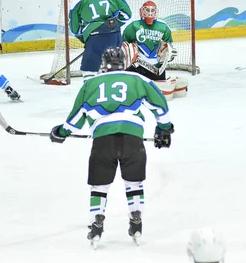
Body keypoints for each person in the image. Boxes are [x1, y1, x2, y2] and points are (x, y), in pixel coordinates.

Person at [49, 47, 174, 248]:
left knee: (99, 187)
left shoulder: (90, 84)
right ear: (124, 62)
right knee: (134, 184)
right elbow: (159, 103)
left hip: (102, 141)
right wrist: (164, 128)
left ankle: (96, 223)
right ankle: (136, 218)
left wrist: (61, 132)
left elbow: (75, 118)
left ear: (103, 65)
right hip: (133, 139)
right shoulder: (137, 79)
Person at [69, 0, 132, 79]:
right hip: (115, 35)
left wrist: (86, 36)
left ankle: (93, 92)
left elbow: (75, 30)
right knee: (114, 68)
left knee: (88, 70)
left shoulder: (77, 2)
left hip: (95, 38)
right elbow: (127, 15)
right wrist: (112, 25)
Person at [121, 0, 188, 99]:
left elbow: (168, 45)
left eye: (152, 10)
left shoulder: (163, 27)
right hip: (137, 66)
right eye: (147, 10)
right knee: (134, 92)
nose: (150, 13)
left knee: (158, 94)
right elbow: (124, 45)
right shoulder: (133, 26)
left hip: (157, 69)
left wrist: (168, 54)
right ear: (141, 11)